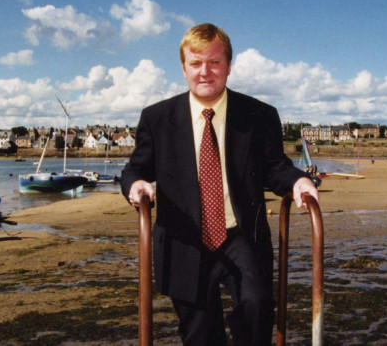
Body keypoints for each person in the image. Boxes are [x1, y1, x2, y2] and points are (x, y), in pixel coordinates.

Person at [121, 23, 319, 345]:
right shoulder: (156, 118)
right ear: (183, 67)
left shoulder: (259, 114)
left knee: (256, 308)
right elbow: (135, 168)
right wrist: (136, 184)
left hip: (240, 234)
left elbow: (275, 167)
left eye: (214, 62)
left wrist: (297, 181)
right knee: (199, 333)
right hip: (182, 238)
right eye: (196, 63)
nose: (205, 72)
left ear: (228, 65)